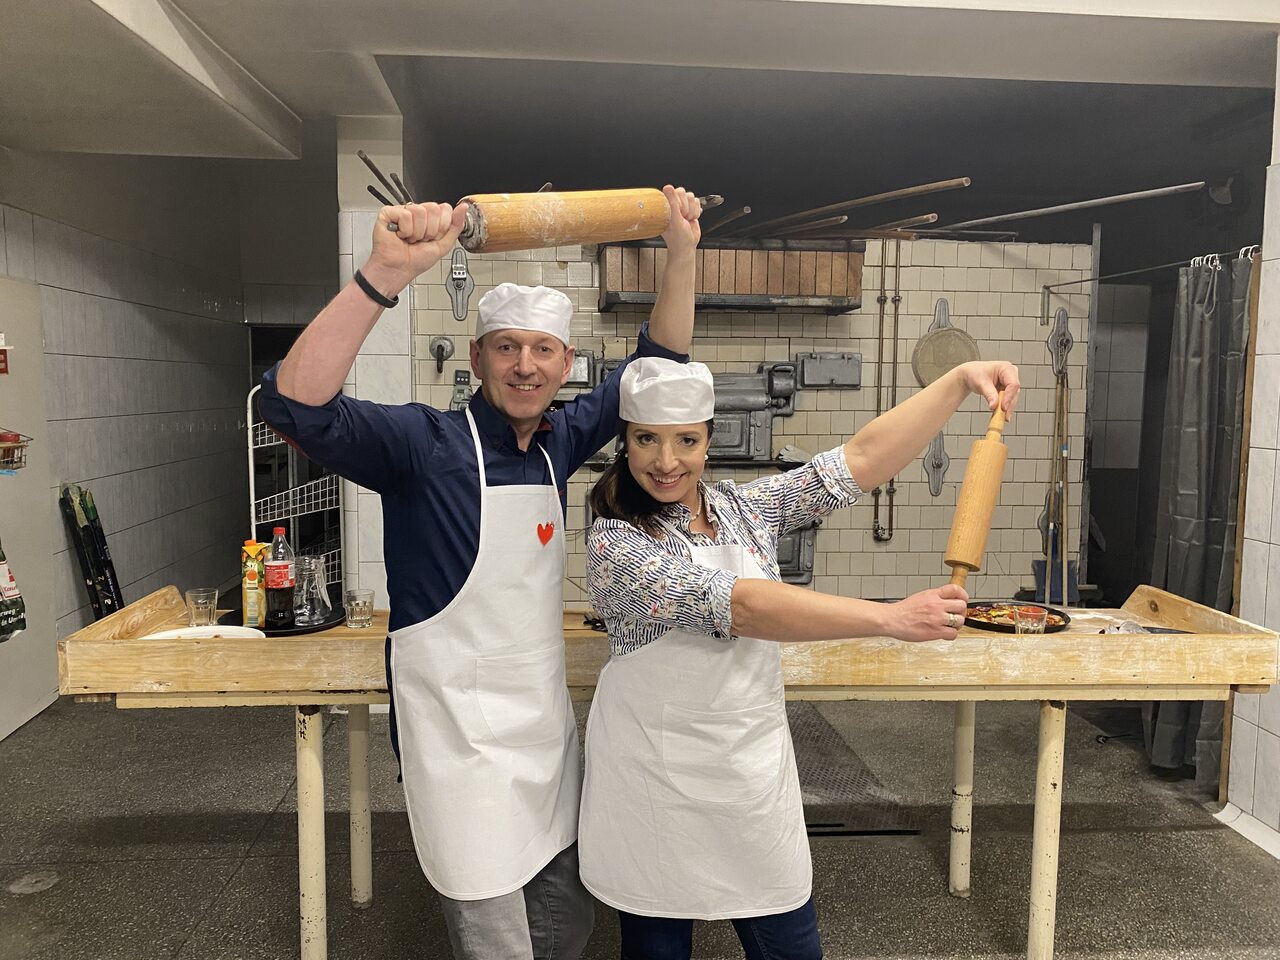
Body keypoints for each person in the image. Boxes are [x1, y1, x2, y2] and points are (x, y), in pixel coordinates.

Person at [258, 186, 704, 960]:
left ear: (566, 365)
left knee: (565, 927)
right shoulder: (420, 446)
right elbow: (295, 405)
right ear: (477, 359)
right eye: (506, 347)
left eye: (543, 350)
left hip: (543, 737)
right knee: (496, 942)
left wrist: (683, 251)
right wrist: (384, 275)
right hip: (459, 750)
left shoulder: (560, 441)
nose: (525, 365)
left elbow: (656, 364)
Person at [580, 356, 1021, 960]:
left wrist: (958, 381)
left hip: (747, 770)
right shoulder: (615, 540)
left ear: (709, 438)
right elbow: (741, 606)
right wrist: (889, 618)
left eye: (686, 441)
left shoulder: (744, 510)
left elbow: (861, 460)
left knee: (790, 946)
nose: (665, 461)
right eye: (646, 440)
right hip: (654, 780)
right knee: (659, 945)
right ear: (624, 442)